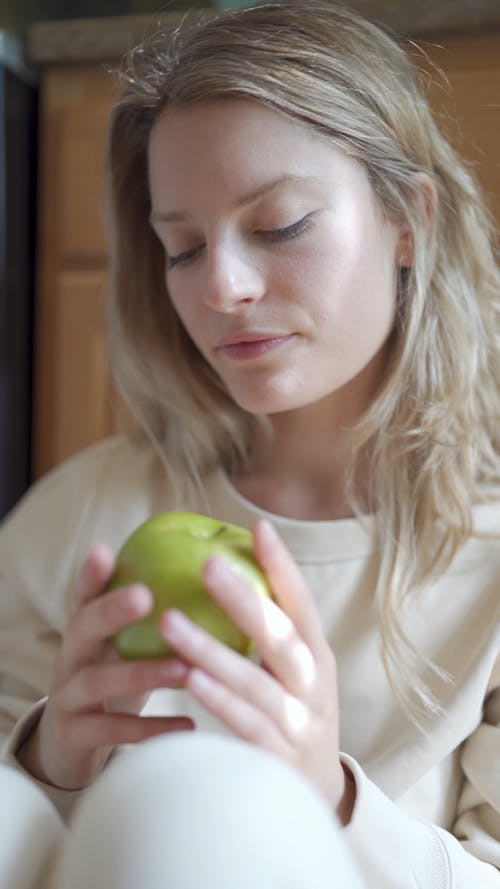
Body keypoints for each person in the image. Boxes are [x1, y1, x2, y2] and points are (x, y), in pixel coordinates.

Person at [0, 1, 499, 886]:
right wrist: (51, 760)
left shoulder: (485, 561)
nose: (221, 287)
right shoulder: (86, 512)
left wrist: (331, 797)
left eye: (279, 226)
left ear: (408, 222)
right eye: (183, 247)